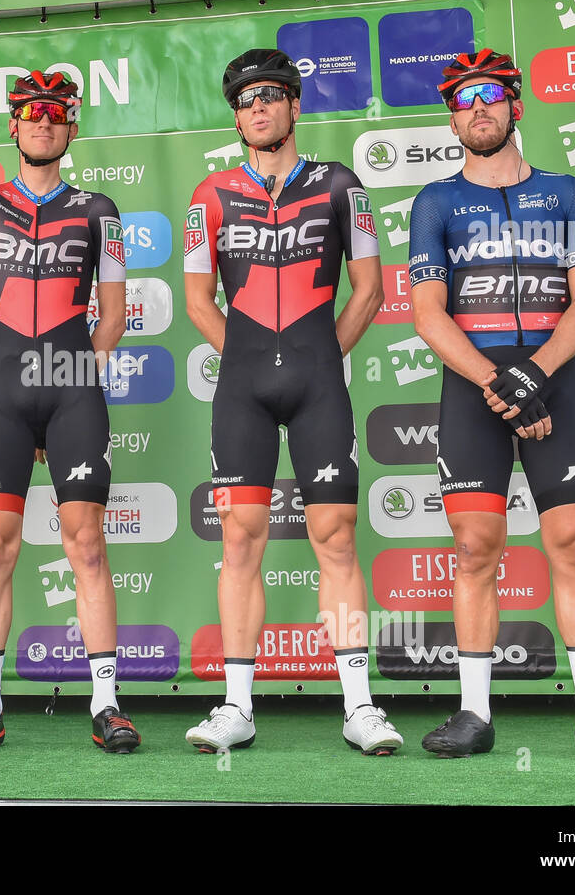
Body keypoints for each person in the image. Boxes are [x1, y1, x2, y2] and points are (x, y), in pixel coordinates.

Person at [408, 48, 575, 760]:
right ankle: (473, 714)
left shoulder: (568, 193)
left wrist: (534, 377)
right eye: (463, 99)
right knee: (474, 549)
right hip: (473, 389)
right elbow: (429, 315)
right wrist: (502, 385)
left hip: (557, 380)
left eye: (491, 94)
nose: (478, 108)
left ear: (517, 106)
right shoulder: (434, 202)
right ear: (453, 118)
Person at [0, 23, 139, 752]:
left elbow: (116, 313)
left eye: (56, 113)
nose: (43, 122)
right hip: (3, 392)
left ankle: (106, 704)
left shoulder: (98, 209)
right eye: (31, 113)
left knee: (88, 545)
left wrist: (75, 376)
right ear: (13, 126)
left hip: (69, 387)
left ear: (72, 126)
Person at [183, 48, 399, 755]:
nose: (260, 108)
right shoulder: (209, 196)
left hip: (318, 384)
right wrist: (246, 356)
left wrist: (320, 356)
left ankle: (360, 707)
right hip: (242, 388)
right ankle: (237, 707)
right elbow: (195, 298)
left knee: (336, 539)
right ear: (237, 116)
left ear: (295, 106)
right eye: (247, 101)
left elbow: (370, 288)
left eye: (272, 96)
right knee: (240, 541)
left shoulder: (342, 184)